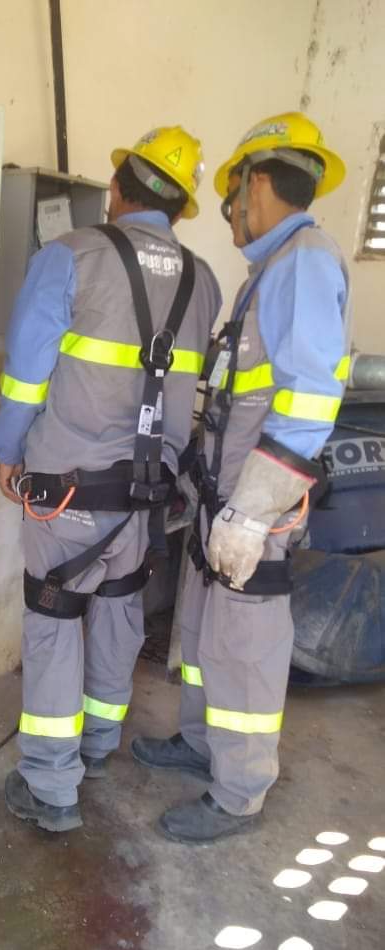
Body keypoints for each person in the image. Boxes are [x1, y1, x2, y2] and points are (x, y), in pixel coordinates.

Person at [0, 127, 221, 832]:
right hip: (151, 499)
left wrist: (8, 451)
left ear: (120, 186)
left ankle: (51, 786)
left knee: (55, 621)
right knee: (121, 609)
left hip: (67, 490)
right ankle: (95, 747)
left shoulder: (70, 257)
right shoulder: (204, 279)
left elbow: (27, 376)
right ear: (180, 207)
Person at [131, 112, 350, 843]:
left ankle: (240, 792)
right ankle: (200, 745)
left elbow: (309, 402)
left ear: (254, 184)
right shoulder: (273, 270)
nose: (227, 214)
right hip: (220, 501)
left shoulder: (306, 264)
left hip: (253, 511)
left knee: (246, 650)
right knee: (202, 634)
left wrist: (253, 515)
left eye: (229, 195)